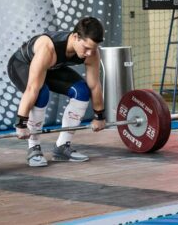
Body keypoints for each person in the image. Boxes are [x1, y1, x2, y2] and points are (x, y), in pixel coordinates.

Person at [7, 17, 107, 167]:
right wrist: (21, 123)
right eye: (86, 47)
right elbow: (32, 88)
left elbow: (94, 86)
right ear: (75, 37)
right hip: (21, 65)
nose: (89, 53)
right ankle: (33, 147)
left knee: (82, 91)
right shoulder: (48, 48)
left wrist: (99, 116)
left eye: (92, 48)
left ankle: (62, 147)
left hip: (51, 68)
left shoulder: (92, 52)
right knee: (41, 93)